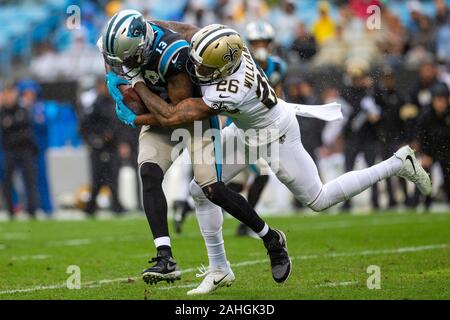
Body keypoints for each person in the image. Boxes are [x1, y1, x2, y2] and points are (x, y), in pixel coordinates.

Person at [116, 24, 432, 294]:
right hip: (245, 130)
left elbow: (172, 116)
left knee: (318, 199)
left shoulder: (229, 89)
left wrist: (137, 93)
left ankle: (398, 163)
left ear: (223, 69)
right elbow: (188, 32)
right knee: (202, 190)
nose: (197, 69)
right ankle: (220, 268)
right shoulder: (228, 50)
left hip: (274, 135)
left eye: (206, 67)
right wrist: (151, 25)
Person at [99, 11, 290, 288]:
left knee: (211, 188)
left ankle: (270, 238)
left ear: (141, 48)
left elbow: (171, 116)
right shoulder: (140, 35)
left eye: (127, 59)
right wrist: (112, 81)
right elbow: (109, 56)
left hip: (190, 115)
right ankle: (165, 257)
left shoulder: (174, 57)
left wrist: (136, 103)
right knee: (149, 173)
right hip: (160, 106)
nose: (122, 65)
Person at [79, 77, 125, 216]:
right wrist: (95, 139)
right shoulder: (95, 105)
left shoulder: (114, 102)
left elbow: (120, 125)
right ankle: (92, 206)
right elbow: (85, 125)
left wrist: (119, 140)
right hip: (99, 147)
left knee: (113, 176)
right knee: (98, 177)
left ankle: (115, 204)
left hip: (112, 146)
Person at [0, 83, 39, 219]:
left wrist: (11, 124)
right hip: (10, 150)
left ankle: (32, 209)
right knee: (7, 181)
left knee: (30, 180)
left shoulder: (22, 109)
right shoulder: (3, 111)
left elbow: (25, 129)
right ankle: (10, 210)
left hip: (24, 149)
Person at [417, 83, 450, 207]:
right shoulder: (426, 115)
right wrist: (423, 154)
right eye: (438, 100)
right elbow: (421, 137)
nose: (441, 103)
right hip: (430, 150)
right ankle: (425, 201)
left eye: (443, 100)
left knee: (448, 173)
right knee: (425, 175)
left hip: (447, 150)